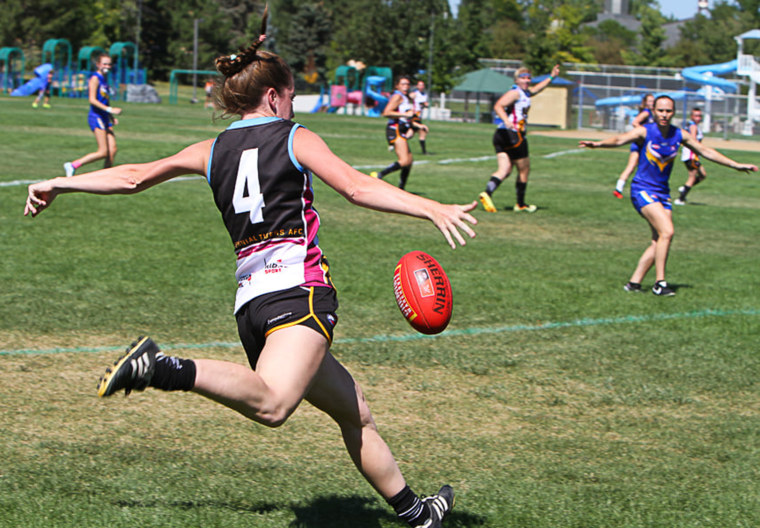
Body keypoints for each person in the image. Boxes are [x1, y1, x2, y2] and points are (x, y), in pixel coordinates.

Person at [25, 12, 477, 527]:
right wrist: (431, 207)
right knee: (274, 406)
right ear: (273, 97)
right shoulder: (292, 135)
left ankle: (418, 514)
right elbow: (356, 187)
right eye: (287, 95)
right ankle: (163, 367)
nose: (290, 104)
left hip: (252, 305)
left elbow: (131, 177)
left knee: (355, 412)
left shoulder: (210, 149)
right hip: (298, 292)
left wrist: (60, 184)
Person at [579, 95, 757, 296]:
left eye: (668, 111)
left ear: (674, 113)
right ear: (653, 111)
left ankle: (634, 283)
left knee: (659, 240)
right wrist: (598, 144)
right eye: (660, 110)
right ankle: (659, 283)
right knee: (667, 232)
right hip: (642, 190)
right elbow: (620, 139)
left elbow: (706, 151)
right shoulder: (645, 131)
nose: (664, 115)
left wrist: (735, 165)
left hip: (663, 192)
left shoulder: (679, 134)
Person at [478, 64, 560, 213]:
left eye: (529, 77)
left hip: (500, 135)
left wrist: (551, 76)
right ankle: (520, 204)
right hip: (513, 135)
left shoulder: (525, 92)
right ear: (516, 80)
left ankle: (487, 193)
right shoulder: (515, 93)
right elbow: (498, 106)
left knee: (505, 169)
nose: (527, 80)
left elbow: (537, 89)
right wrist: (507, 121)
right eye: (523, 78)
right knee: (524, 169)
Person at [63, 53, 122, 177]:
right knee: (103, 152)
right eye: (105, 63)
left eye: (109, 64)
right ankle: (73, 165)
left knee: (113, 149)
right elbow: (92, 100)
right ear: (98, 64)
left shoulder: (104, 79)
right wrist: (110, 109)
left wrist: (110, 116)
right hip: (96, 117)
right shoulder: (95, 78)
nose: (107, 66)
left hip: (105, 117)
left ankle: (105, 176)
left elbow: (105, 99)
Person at [370, 75, 415, 189]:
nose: (406, 87)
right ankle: (379, 175)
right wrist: (405, 115)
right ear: (397, 86)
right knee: (404, 161)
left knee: (409, 161)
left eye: (407, 84)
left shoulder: (404, 97)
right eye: (403, 84)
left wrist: (411, 127)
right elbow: (386, 112)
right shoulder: (397, 97)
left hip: (401, 129)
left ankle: (401, 189)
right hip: (395, 129)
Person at [612, 93, 655, 199]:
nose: (651, 103)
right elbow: (635, 122)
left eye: (653, 101)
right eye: (649, 101)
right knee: (631, 166)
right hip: (639, 144)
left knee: (647, 167)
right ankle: (618, 189)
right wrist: (644, 132)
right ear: (645, 102)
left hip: (646, 145)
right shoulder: (646, 112)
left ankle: (646, 189)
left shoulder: (652, 113)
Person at [674, 107, 707, 205]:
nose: (698, 118)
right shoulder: (693, 127)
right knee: (692, 177)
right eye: (696, 116)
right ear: (692, 116)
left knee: (702, 175)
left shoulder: (694, 126)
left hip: (693, 154)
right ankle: (680, 199)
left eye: (700, 116)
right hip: (691, 155)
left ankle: (684, 189)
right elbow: (693, 140)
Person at [410, 80, 430, 154]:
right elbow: (411, 97)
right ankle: (424, 152)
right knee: (423, 130)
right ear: (417, 86)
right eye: (420, 85)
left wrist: (426, 105)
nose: (421, 86)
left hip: (419, 116)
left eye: (422, 85)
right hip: (415, 116)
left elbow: (425, 104)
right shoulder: (415, 93)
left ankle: (396, 142)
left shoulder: (425, 95)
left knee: (411, 134)